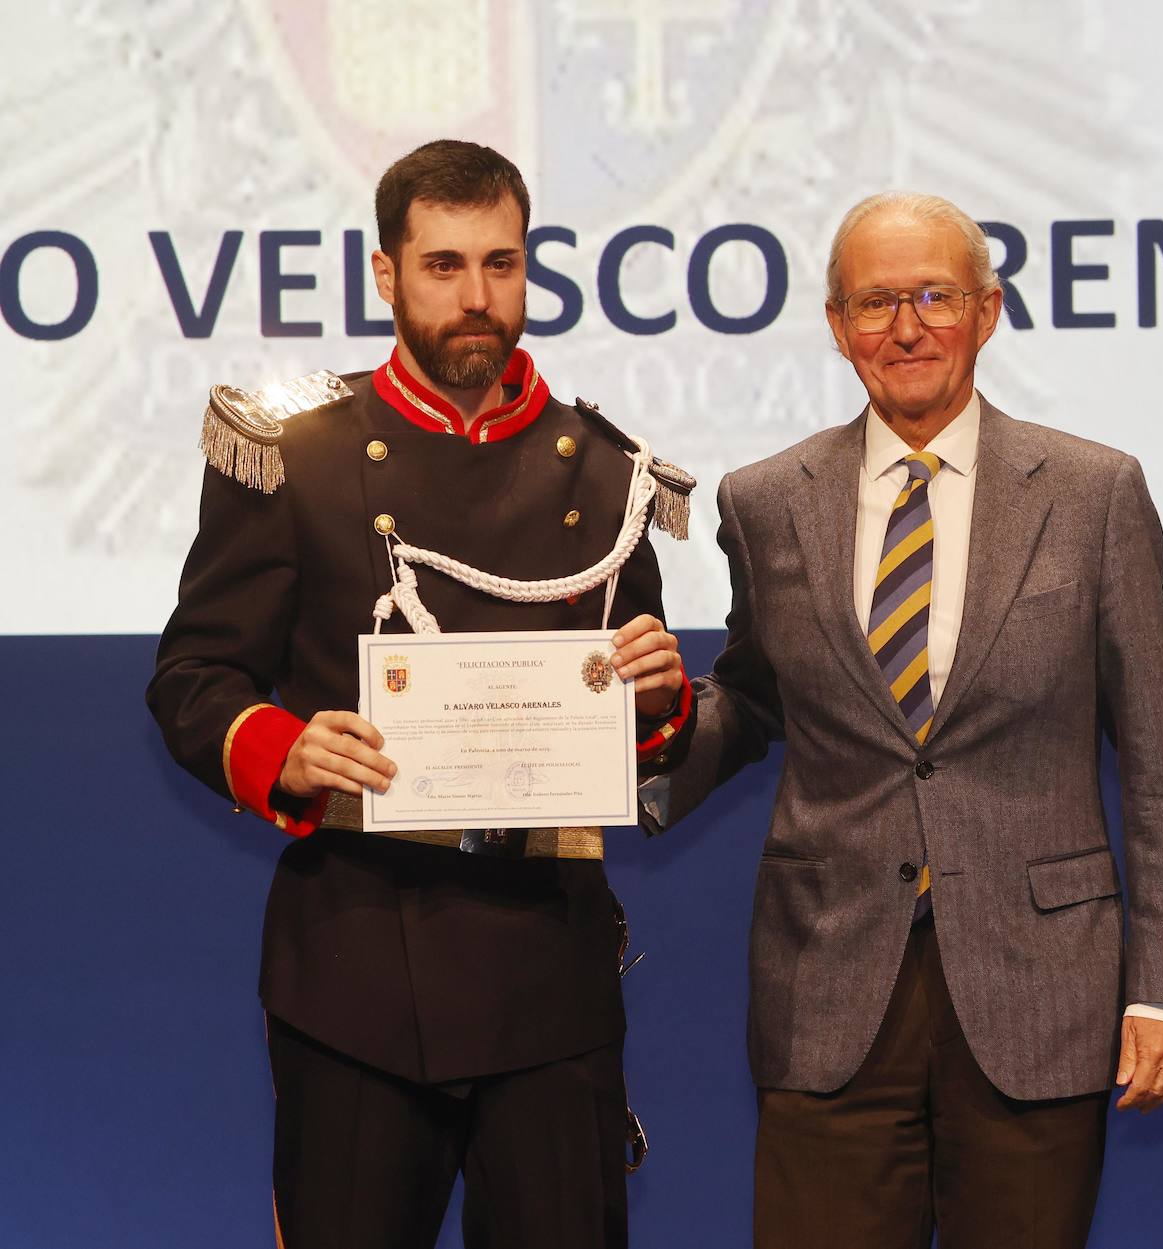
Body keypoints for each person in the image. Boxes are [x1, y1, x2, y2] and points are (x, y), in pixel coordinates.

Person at [643, 192, 1163, 1249]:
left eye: (934, 298)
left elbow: (1159, 760)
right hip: (828, 986)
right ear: (834, 325)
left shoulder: (1093, 493)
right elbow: (757, 696)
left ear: (987, 311)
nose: (905, 328)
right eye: (874, 303)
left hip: (1039, 988)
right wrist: (651, 732)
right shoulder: (765, 500)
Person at [148, 139, 689, 1249]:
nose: (476, 298)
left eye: (501, 264)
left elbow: (641, 731)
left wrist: (658, 696)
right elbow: (194, 675)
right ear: (387, 274)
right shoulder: (293, 449)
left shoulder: (608, 471)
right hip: (354, 958)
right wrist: (282, 749)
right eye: (443, 266)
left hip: (549, 970)